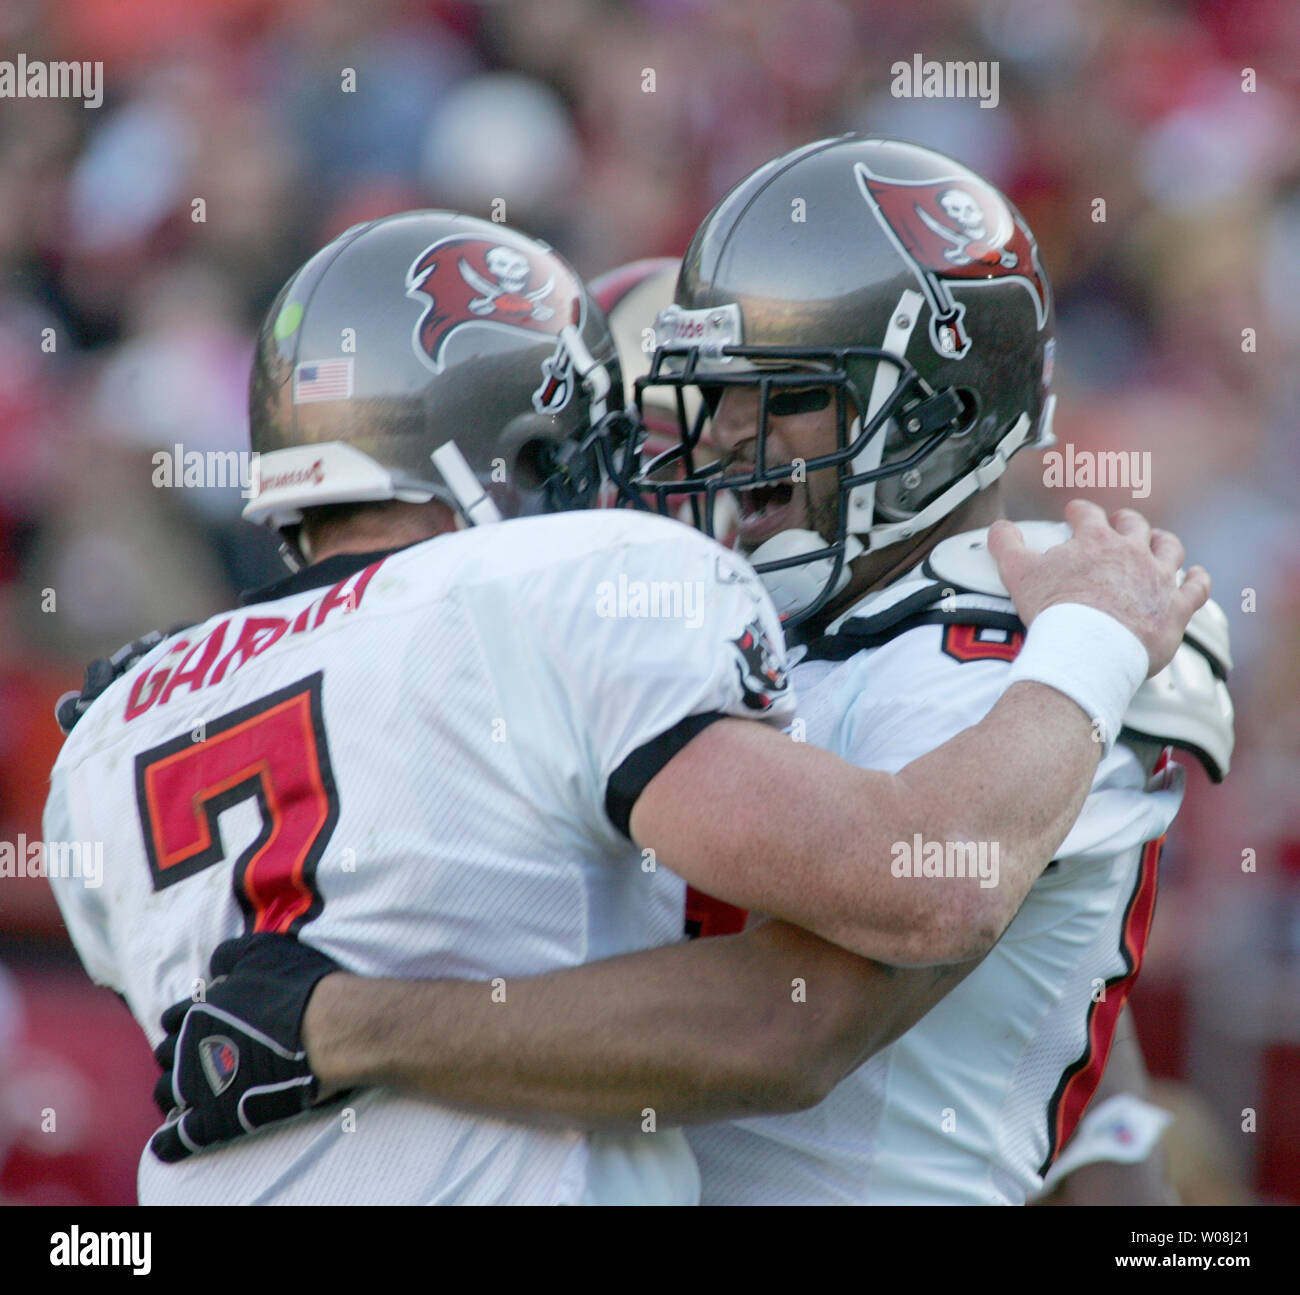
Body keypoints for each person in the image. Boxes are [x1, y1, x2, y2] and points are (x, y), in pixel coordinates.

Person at [48, 200, 1205, 1205]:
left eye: (776, 401)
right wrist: (1096, 636)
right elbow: (863, 942)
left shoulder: (113, 725)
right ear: (531, 449)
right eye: (653, 427)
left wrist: (345, 1024)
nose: (695, 468)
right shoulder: (581, 592)